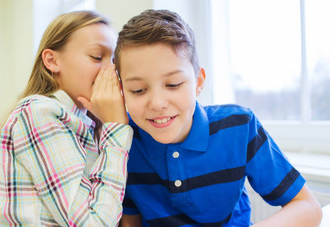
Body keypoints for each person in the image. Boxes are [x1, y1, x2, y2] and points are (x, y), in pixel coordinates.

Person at [111, 9, 323, 226]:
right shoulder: (122, 141)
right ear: (121, 91)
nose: (157, 103)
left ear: (199, 82)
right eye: (138, 90)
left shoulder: (238, 126)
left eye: (173, 84)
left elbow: (308, 207)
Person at [0, 10, 133, 226]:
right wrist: (117, 128)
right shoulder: (39, 112)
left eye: (114, 62)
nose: (110, 71)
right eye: (96, 56)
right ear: (52, 60)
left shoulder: (89, 123)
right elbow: (93, 223)